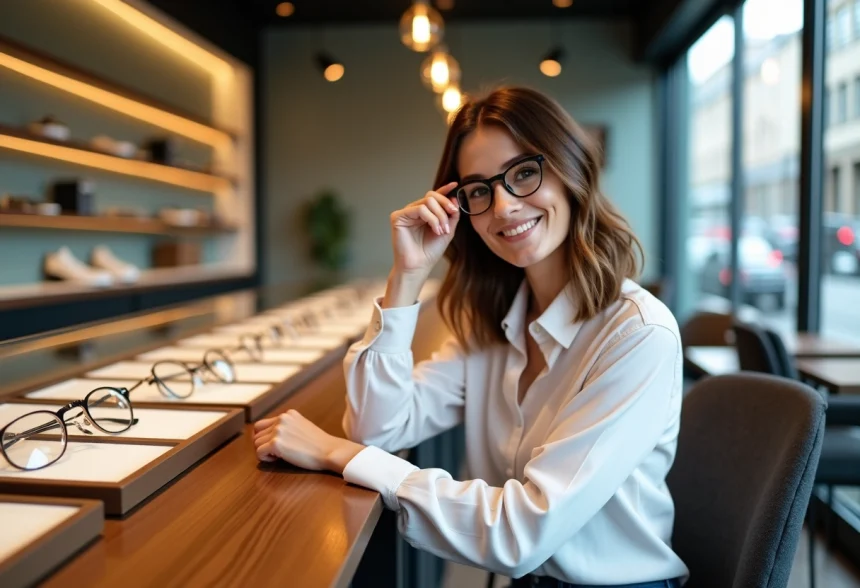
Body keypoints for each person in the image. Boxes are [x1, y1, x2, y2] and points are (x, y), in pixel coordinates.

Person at [253, 86, 688, 588]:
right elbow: (376, 429)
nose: (502, 207)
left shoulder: (637, 335)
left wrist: (337, 453)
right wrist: (407, 278)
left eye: (524, 173)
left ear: (572, 170)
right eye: (479, 190)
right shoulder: (493, 321)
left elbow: (522, 532)